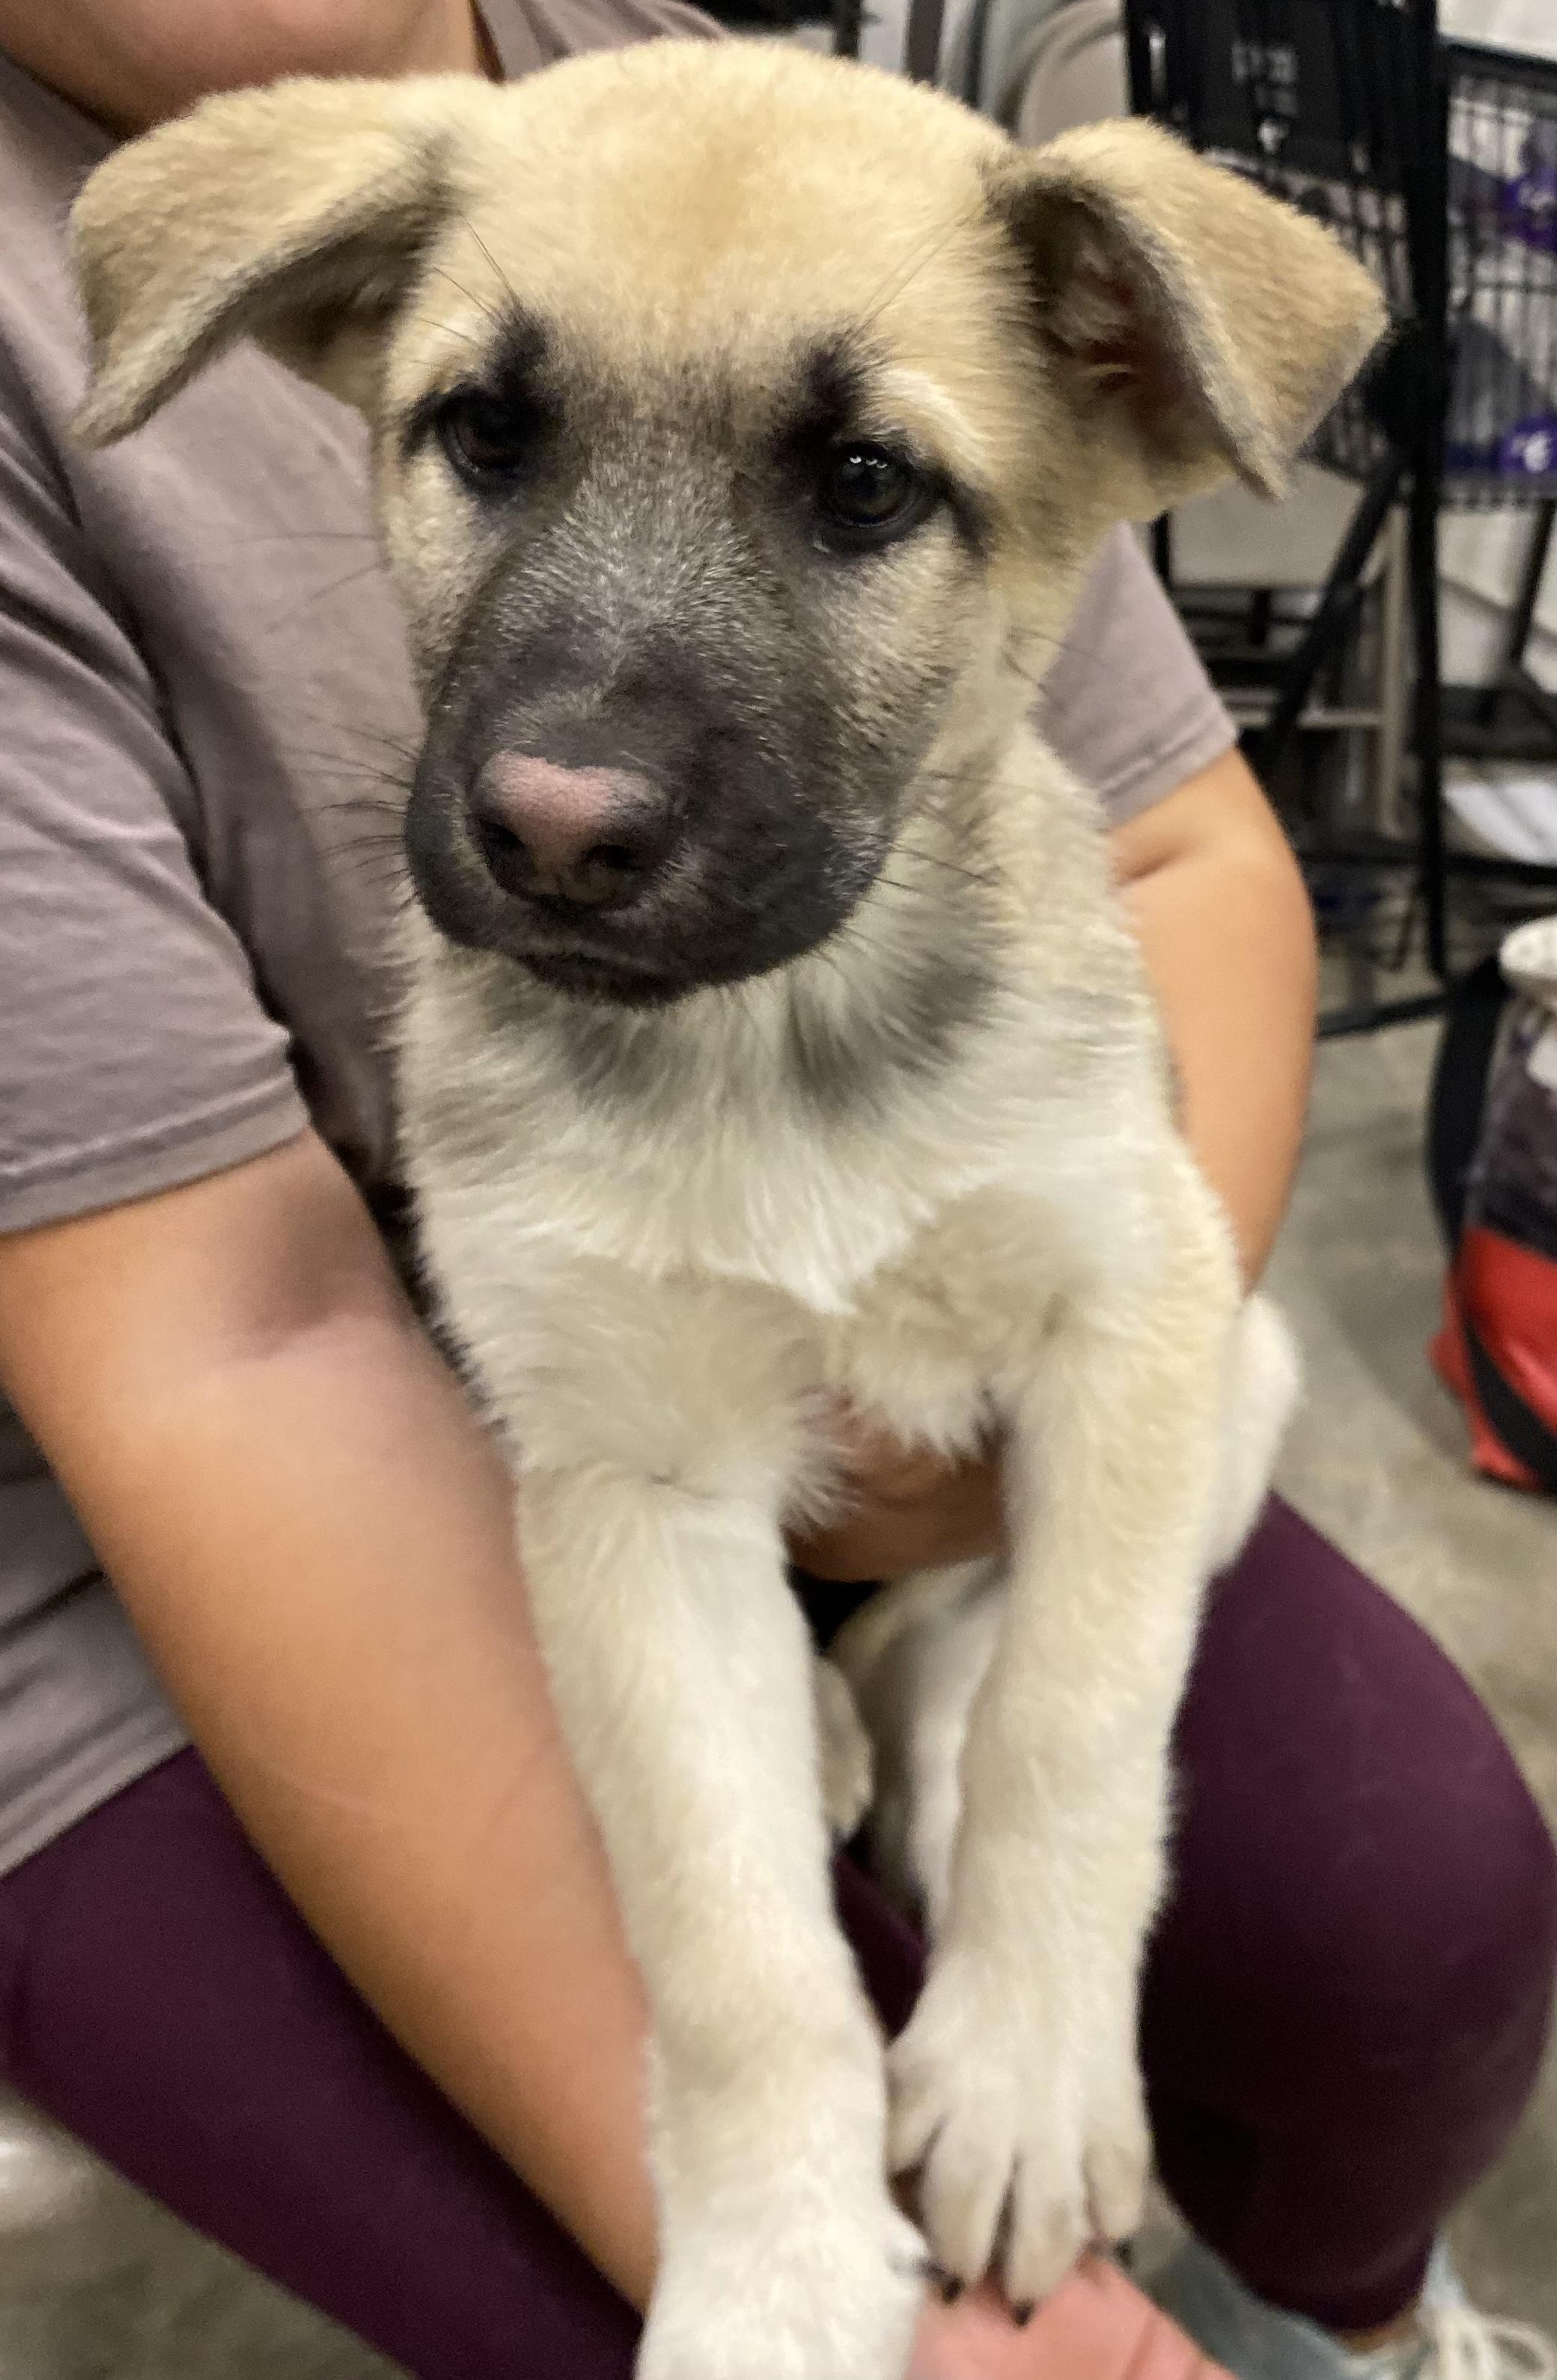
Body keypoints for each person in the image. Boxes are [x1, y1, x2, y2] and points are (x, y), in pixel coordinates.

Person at [0, 7, 1552, 2379]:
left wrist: (1035, 1840)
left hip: (958, 1440)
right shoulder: (391, 206)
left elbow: (1149, 1162)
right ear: (334, 342)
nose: (569, 775)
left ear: (1124, 403)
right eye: (492, 438)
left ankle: (1353, 2295)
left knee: (1404, 1891)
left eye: (854, 490)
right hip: (182, 1529)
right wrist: (753, 2122)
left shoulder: (778, 130)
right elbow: (287, 1362)